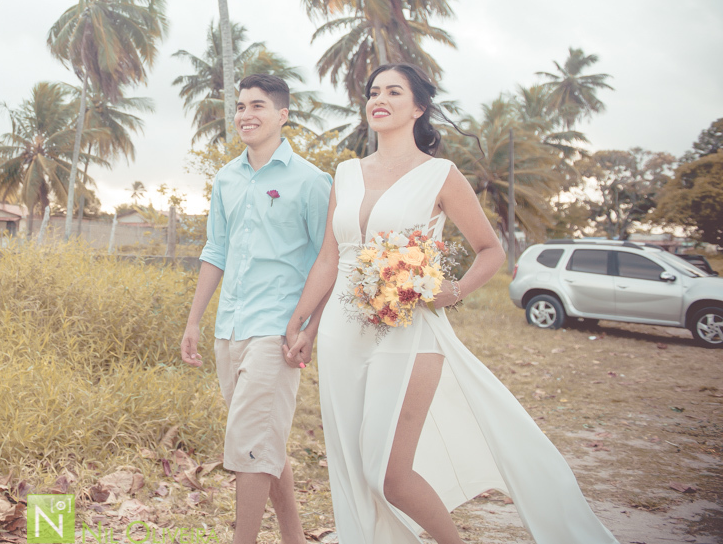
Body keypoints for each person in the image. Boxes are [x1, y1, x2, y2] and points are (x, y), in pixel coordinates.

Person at [282, 63, 619, 544]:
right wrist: (303, 325)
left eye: (393, 92)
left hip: (409, 328)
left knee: (388, 474)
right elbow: (329, 260)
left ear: (418, 107)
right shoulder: (346, 172)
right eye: (373, 91)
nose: (379, 98)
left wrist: (454, 289)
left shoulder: (440, 174)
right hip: (341, 330)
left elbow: (491, 249)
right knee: (352, 466)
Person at [181, 73, 333, 544]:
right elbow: (215, 251)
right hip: (229, 328)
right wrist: (193, 322)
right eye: (241, 106)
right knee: (261, 440)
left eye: (258, 106)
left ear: (282, 116)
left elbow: (330, 260)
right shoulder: (226, 177)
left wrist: (311, 327)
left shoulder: (312, 181)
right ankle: (294, 537)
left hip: (279, 330)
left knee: (250, 443)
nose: (246, 114)